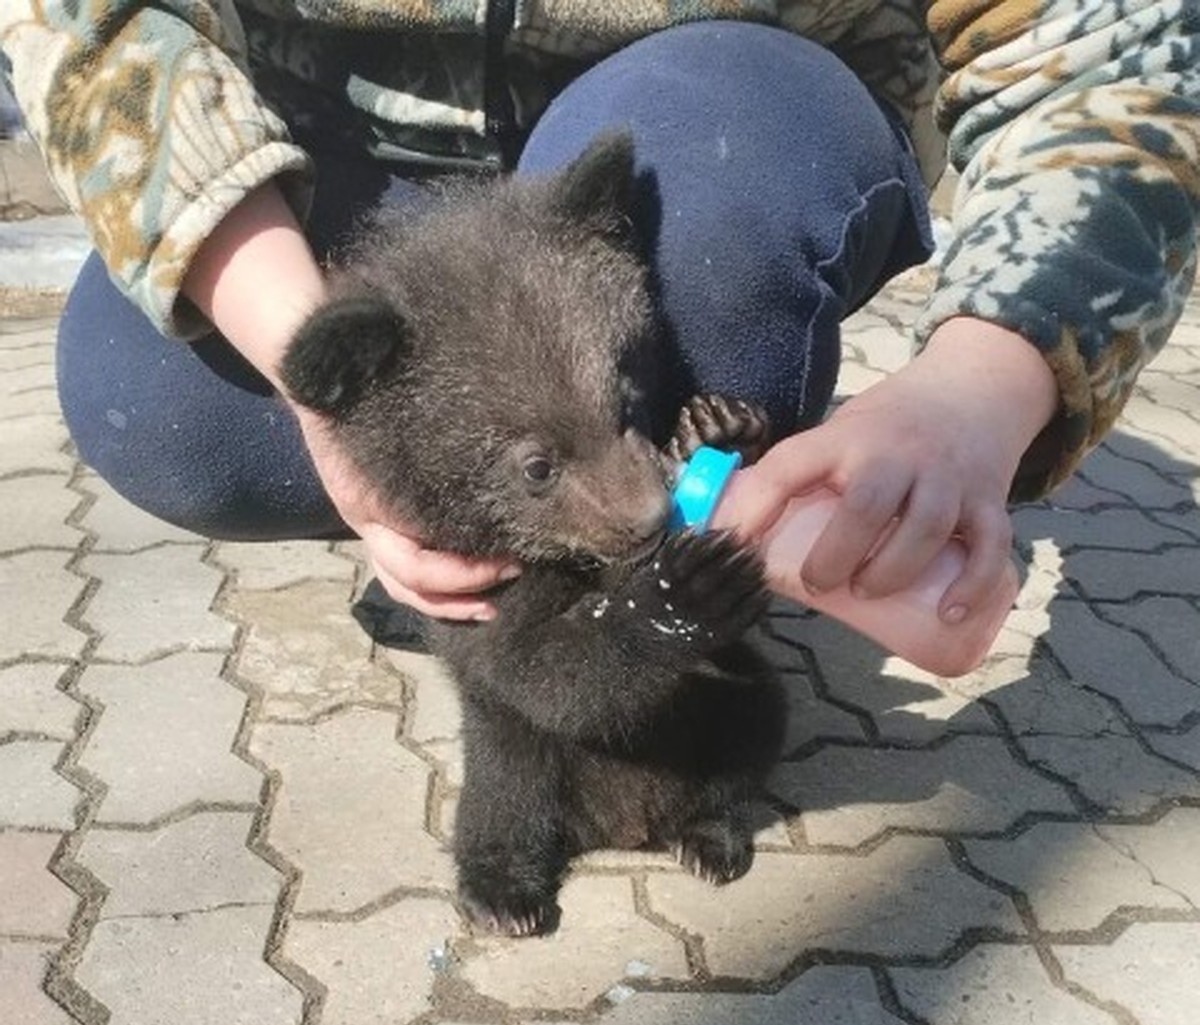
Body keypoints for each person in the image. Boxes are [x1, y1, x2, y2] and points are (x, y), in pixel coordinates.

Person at [2, 3, 1195, 632]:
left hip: (713, 106)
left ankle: (662, 573)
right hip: (347, 158)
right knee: (158, 395)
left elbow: (1101, 53)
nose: (630, 490)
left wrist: (983, 386)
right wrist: (319, 377)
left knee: (712, 262)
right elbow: (99, 21)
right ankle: (497, 581)